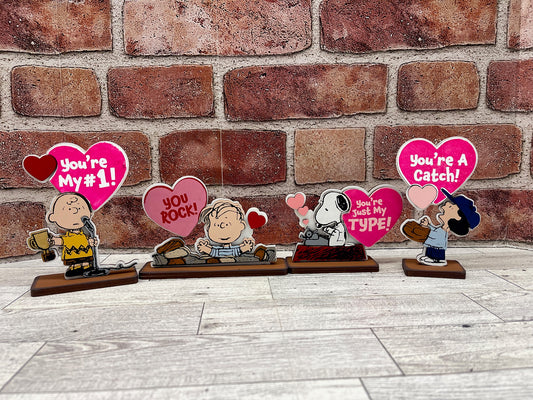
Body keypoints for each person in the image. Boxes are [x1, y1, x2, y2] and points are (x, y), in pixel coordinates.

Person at [416, 189, 480, 266]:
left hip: (438, 248)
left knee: (436, 250)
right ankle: (429, 256)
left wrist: (427, 229)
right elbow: (434, 230)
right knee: (431, 248)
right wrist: (429, 225)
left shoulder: (443, 231)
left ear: (457, 218)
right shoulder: (441, 229)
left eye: (450, 206)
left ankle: (437, 259)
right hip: (433, 245)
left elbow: (435, 235)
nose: (444, 204)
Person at [47, 192, 98, 279]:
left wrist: (92, 241)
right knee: (75, 264)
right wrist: (53, 241)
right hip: (72, 253)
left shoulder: (85, 235)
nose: (75, 211)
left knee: (85, 262)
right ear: (53, 217)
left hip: (85, 252)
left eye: (79, 208)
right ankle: (75, 269)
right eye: (69, 210)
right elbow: (62, 240)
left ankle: (87, 267)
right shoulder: (67, 238)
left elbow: (87, 240)